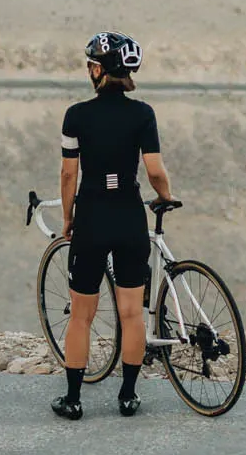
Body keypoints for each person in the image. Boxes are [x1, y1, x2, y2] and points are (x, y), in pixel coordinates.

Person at [51, 31, 173, 421]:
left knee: (82, 314)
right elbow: (154, 170)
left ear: (101, 70)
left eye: (92, 64)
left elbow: (69, 175)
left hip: (91, 215)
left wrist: (68, 217)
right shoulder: (143, 114)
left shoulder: (76, 115)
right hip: (128, 213)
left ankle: (72, 399)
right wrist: (166, 196)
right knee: (132, 313)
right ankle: (128, 395)